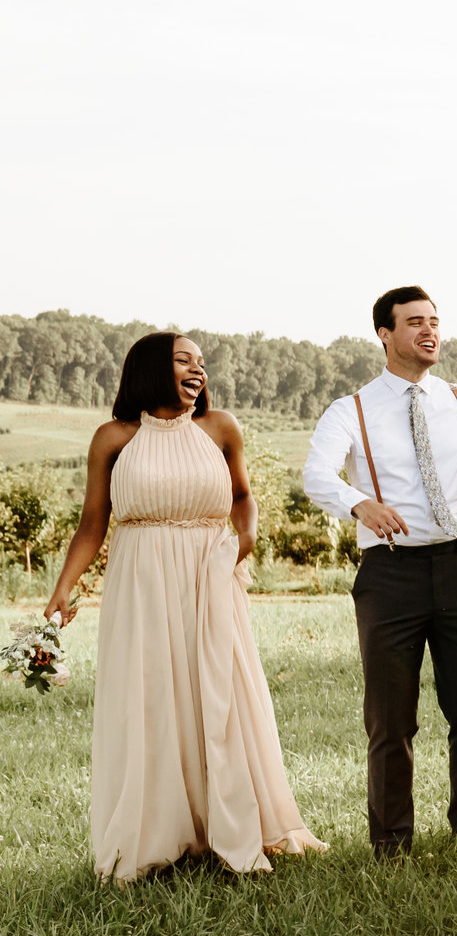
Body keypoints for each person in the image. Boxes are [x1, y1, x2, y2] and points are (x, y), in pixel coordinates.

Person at [48, 333, 324, 880]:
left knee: (219, 693)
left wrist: (243, 540)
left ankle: (229, 825)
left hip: (209, 574)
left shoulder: (220, 429)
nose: (197, 370)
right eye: (183, 361)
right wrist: (62, 589)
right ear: (152, 369)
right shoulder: (113, 438)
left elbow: (243, 498)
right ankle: (161, 833)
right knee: (151, 696)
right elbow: (92, 523)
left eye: (201, 363)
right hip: (141, 583)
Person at [303, 287, 457, 856]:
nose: (429, 331)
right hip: (389, 576)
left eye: (434, 321)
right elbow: (317, 475)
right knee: (390, 718)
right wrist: (358, 503)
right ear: (385, 334)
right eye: (414, 322)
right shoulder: (351, 409)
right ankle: (391, 841)